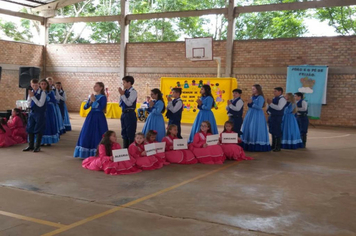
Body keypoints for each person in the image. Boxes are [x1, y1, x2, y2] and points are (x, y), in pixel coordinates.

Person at [74, 82, 108, 158]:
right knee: (87, 132)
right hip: (91, 116)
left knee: (98, 132)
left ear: (101, 87)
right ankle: (86, 152)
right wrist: (90, 101)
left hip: (99, 117)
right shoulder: (93, 96)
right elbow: (85, 107)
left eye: (96, 86)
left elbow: (100, 107)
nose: (94, 87)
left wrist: (94, 101)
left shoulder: (103, 97)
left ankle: (98, 152)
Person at [241, 84, 271, 152]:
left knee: (255, 128)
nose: (252, 90)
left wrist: (252, 103)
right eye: (252, 89)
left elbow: (259, 107)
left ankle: (256, 145)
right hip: (250, 113)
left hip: (257, 114)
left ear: (258, 90)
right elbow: (250, 105)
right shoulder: (253, 97)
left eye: (254, 89)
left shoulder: (260, 97)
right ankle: (248, 143)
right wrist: (249, 103)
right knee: (249, 127)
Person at [23, 79, 47, 152]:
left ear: (39, 85)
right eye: (33, 85)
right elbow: (28, 104)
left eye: (36, 85)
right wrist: (30, 98)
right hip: (32, 112)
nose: (34, 87)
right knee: (30, 128)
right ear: (31, 85)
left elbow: (40, 104)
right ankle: (31, 145)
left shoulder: (43, 93)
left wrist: (33, 97)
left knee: (38, 129)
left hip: (40, 113)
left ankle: (37, 146)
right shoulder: (32, 92)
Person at [119, 76, 137, 148]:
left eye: (124, 82)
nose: (123, 84)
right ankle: (125, 149)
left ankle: (131, 149)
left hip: (130, 113)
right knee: (124, 132)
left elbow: (129, 103)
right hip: (124, 113)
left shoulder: (133, 92)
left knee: (130, 132)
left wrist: (122, 95)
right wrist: (122, 95)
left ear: (129, 83)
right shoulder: (125, 91)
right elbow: (120, 103)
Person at [267, 87, 287, 152]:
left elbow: (279, 108)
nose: (274, 92)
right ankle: (273, 145)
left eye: (275, 91)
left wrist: (271, 104)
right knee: (272, 131)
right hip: (272, 116)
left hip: (278, 117)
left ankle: (278, 146)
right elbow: (272, 107)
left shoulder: (282, 99)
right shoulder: (274, 98)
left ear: (280, 92)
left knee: (277, 131)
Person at [40, 79, 60, 146]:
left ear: (47, 85)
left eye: (45, 84)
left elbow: (54, 101)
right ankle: (41, 140)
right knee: (41, 124)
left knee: (49, 123)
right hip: (41, 109)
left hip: (49, 109)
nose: (43, 85)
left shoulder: (50, 92)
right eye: (42, 84)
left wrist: (49, 99)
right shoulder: (39, 92)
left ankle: (49, 140)